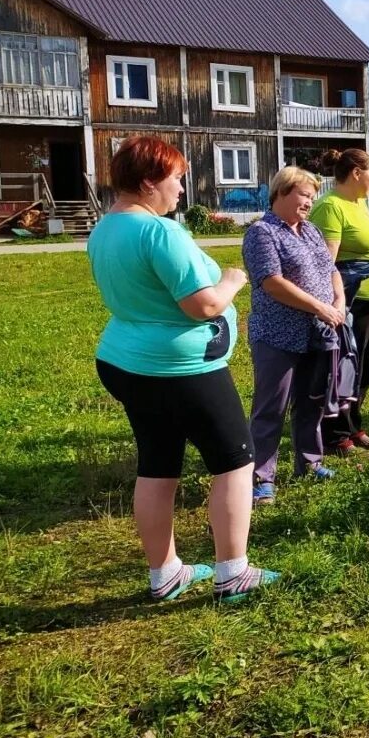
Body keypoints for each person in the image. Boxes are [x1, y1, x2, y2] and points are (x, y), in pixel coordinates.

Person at [87, 135, 278, 603]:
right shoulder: (160, 232)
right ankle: (233, 572)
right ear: (150, 182)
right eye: (175, 180)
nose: (180, 191)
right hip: (180, 369)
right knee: (235, 461)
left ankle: (165, 572)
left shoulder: (104, 228)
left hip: (126, 362)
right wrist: (233, 280)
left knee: (157, 464)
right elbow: (203, 304)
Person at [243, 166, 347, 505]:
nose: (310, 202)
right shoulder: (262, 233)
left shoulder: (311, 230)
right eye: (305, 195)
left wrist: (339, 301)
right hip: (277, 334)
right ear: (283, 192)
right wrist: (320, 307)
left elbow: (331, 269)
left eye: (313, 196)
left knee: (311, 402)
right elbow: (272, 283)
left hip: (318, 332)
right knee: (271, 407)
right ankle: (261, 478)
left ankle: (309, 462)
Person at [309, 148, 369, 455]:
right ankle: (335, 436)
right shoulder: (330, 207)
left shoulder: (358, 203)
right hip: (352, 302)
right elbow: (325, 263)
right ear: (356, 173)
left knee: (367, 368)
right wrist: (330, 305)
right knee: (347, 366)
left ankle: (354, 426)